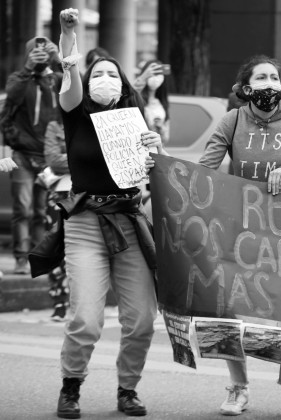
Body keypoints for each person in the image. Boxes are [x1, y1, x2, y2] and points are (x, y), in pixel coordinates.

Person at [149, 55, 281, 419]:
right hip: (240, 231)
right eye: (261, 78)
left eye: (274, 78)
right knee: (230, 307)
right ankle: (238, 387)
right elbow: (202, 172)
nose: (269, 84)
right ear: (247, 87)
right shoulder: (232, 120)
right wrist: (162, 163)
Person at [55, 8, 163, 419]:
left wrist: (156, 150)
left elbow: (158, 176)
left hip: (130, 223)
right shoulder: (74, 115)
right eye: (96, 74)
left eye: (112, 75)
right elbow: (69, 79)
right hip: (85, 225)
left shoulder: (136, 122)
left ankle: (127, 389)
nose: (104, 80)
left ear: (124, 87)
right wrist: (70, 35)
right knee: (85, 319)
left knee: (140, 322)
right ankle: (70, 386)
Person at [4, 35, 62, 274]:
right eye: (34, 51)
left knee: (41, 211)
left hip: (48, 157)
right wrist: (28, 68)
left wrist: (59, 59)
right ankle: (19, 259)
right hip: (23, 155)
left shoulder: (56, 79)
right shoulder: (19, 78)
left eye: (44, 50)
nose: (40, 54)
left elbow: (76, 90)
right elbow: (13, 97)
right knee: (23, 209)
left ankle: (37, 260)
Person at [41, 113, 71, 322]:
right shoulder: (54, 125)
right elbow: (53, 161)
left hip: (90, 194)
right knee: (55, 247)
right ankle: (59, 302)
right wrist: (86, 159)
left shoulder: (95, 120)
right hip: (59, 194)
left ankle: (81, 303)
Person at [133, 60, 170, 144]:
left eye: (158, 74)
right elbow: (128, 95)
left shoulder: (163, 102)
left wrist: (161, 128)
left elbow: (166, 138)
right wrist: (143, 77)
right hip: (139, 148)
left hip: (157, 152)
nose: (155, 78)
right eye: (152, 73)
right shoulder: (136, 98)